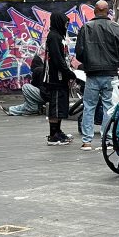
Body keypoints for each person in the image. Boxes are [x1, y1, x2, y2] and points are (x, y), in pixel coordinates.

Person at [74, 0, 119, 151]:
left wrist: (88, 62)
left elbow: (79, 53)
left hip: (92, 74)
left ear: (94, 11)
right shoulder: (116, 27)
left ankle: (87, 141)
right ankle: (108, 139)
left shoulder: (85, 28)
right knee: (109, 107)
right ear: (108, 11)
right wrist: (116, 64)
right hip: (111, 73)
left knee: (89, 107)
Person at [44, 11, 74, 145]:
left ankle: (58, 131)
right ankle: (53, 135)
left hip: (61, 78)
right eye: (65, 23)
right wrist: (68, 72)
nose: (66, 26)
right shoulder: (54, 37)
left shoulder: (58, 36)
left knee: (61, 105)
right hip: (55, 78)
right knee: (56, 106)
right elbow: (57, 59)